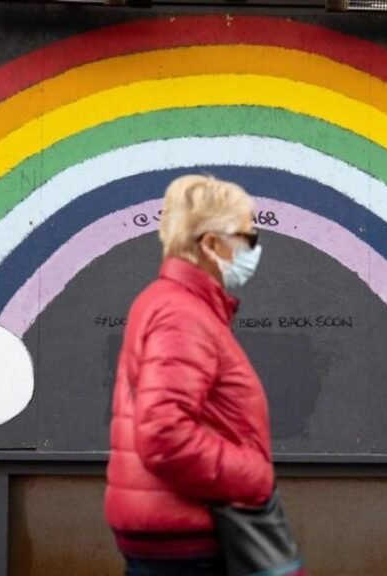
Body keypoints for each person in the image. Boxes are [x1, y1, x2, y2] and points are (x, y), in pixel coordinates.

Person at [104, 174, 275, 576]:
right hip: (187, 538)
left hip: (171, 526)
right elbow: (165, 433)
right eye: (248, 238)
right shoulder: (182, 315)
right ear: (212, 244)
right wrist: (255, 479)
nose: (255, 249)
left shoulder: (169, 303)